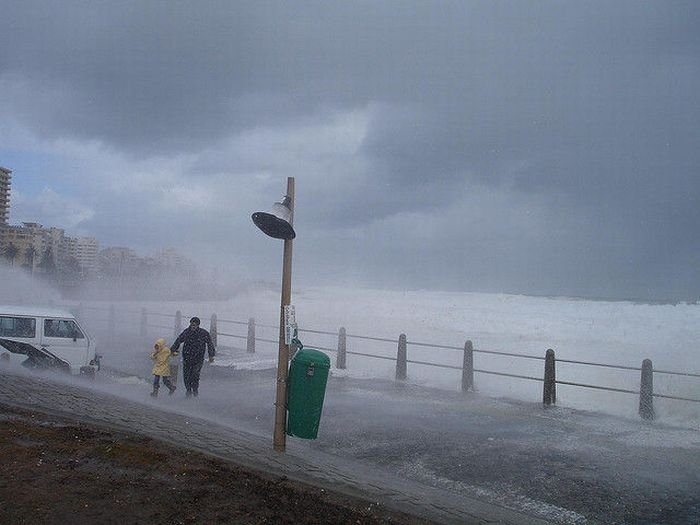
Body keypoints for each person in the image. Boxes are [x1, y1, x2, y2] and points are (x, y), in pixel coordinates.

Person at [170, 317, 215, 397]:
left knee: (195, 375)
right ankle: (188, 390)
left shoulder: (203, 333)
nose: (193, 326)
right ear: (190, 324)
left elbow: (210, 343)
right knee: (186, 376)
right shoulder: (186, 332)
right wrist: (173, 349)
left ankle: (195, 390)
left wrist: (211, 355)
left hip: (198, 359)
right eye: (192, 324)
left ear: (198, 325)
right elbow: (178, 340)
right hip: (187, 358)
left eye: (195, 324)